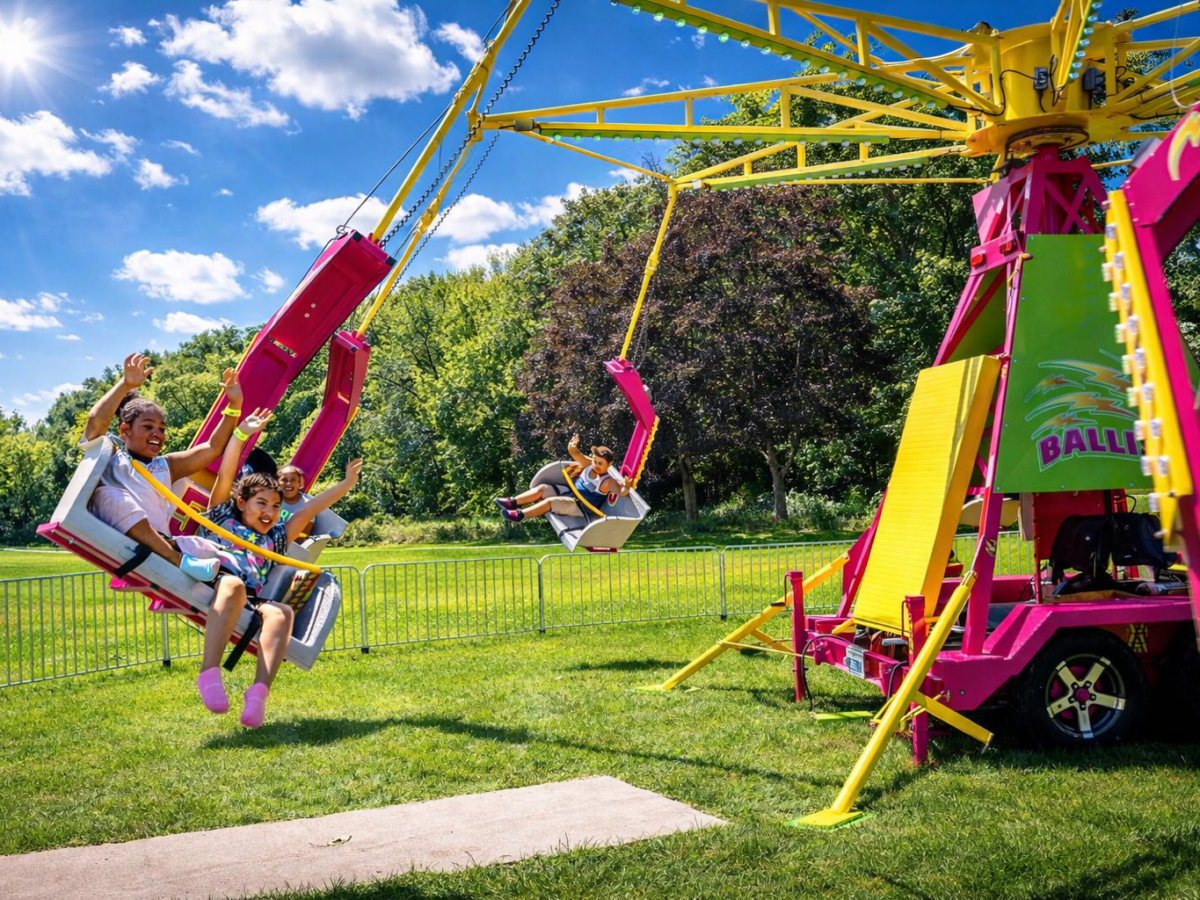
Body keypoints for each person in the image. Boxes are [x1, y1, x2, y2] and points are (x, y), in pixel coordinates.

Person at [195, 410, 362, 727]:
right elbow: (226, 475)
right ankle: (209, 674)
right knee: (234, 587)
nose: (271, 512)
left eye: (275, 506)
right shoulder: (221, 517)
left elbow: (312, 507)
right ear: (242, 502)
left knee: (283, 612)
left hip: (251, 596)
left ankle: (258, 693)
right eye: (262, 503)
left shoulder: (276, 536)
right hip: (217, 578)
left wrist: (346, 483)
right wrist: (241, 435)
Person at [83, 352, 243, 583]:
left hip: (165, 541)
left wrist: (234, 405)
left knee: (227, 557)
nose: (157, 433)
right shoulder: (111, 458)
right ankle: (177, 560)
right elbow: (96, 422)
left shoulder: (166, 465)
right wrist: (124, 385)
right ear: (125, 430)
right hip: (129, 542)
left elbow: (213, 447)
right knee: (106, 494)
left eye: (162, 428)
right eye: (148, 427)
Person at [495, 433, 629, 522]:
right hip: (570, 492)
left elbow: (621, 492)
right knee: (542, 489)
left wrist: (626, 486)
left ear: (609, 464)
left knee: (550, 502)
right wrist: (572, 446)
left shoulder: (607, 481)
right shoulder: (589, 464)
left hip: (580, 506)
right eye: (595, 460)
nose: (596, 465)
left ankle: (520, 515)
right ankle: (513, 502)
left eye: (600, 463)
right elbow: (576, 454)